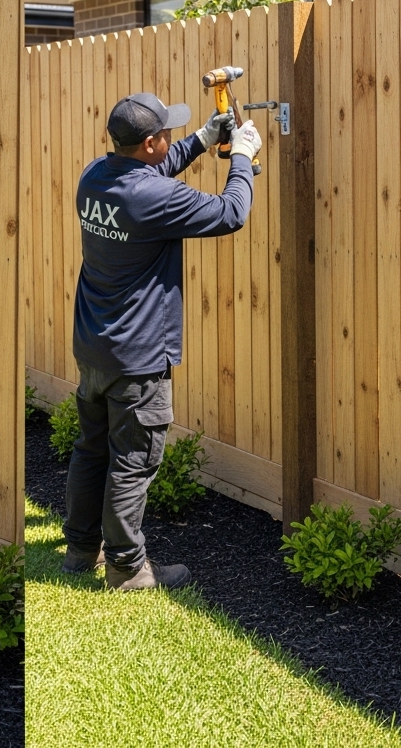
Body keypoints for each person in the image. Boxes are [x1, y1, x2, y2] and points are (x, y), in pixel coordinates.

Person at [62, 91, 261, 591]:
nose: (171, 137)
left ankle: (82, 549)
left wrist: (202, 140)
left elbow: (153, 172)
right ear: (148, 142)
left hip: (95, 344)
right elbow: (230, 213)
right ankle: (127, 568)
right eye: (167, 133)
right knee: (133, 461)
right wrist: (242, 156)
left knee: (92, 451)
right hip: (138, 355)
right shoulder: (152, 198)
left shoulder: (95, 177)